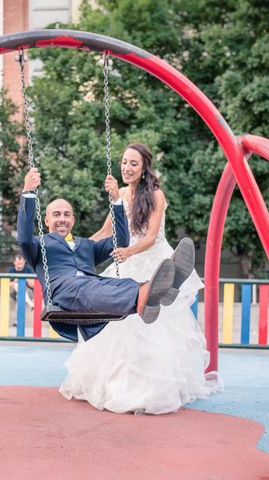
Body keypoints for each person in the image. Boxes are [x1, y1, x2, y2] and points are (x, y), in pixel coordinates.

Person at [59, 143, 223, 414]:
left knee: (152, 327)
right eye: (124, 162)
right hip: (128, 258)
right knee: (117, 322)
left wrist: (127, 251)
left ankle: (153, 389)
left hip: (152, 258)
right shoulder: (120, 194)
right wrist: (77, 247)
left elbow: (149, 237)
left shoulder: (156, 195)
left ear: (145, 167)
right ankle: (116, 385)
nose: (127, 167)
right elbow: (105, 230)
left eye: (133, 163)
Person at [17, 167, 194, 342]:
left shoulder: (86, 245)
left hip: (92, 286)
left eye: (66, 215)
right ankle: (147, 294)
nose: (62, 219)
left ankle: (161, 290)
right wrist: (28, 192)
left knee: (122, 283)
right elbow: (24, 238)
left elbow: (120, 242)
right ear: (47, 220)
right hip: (64, 293)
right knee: (92, 288)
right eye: (56, 215)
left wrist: (117, 201)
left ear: (73, 220)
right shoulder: (38, 244)